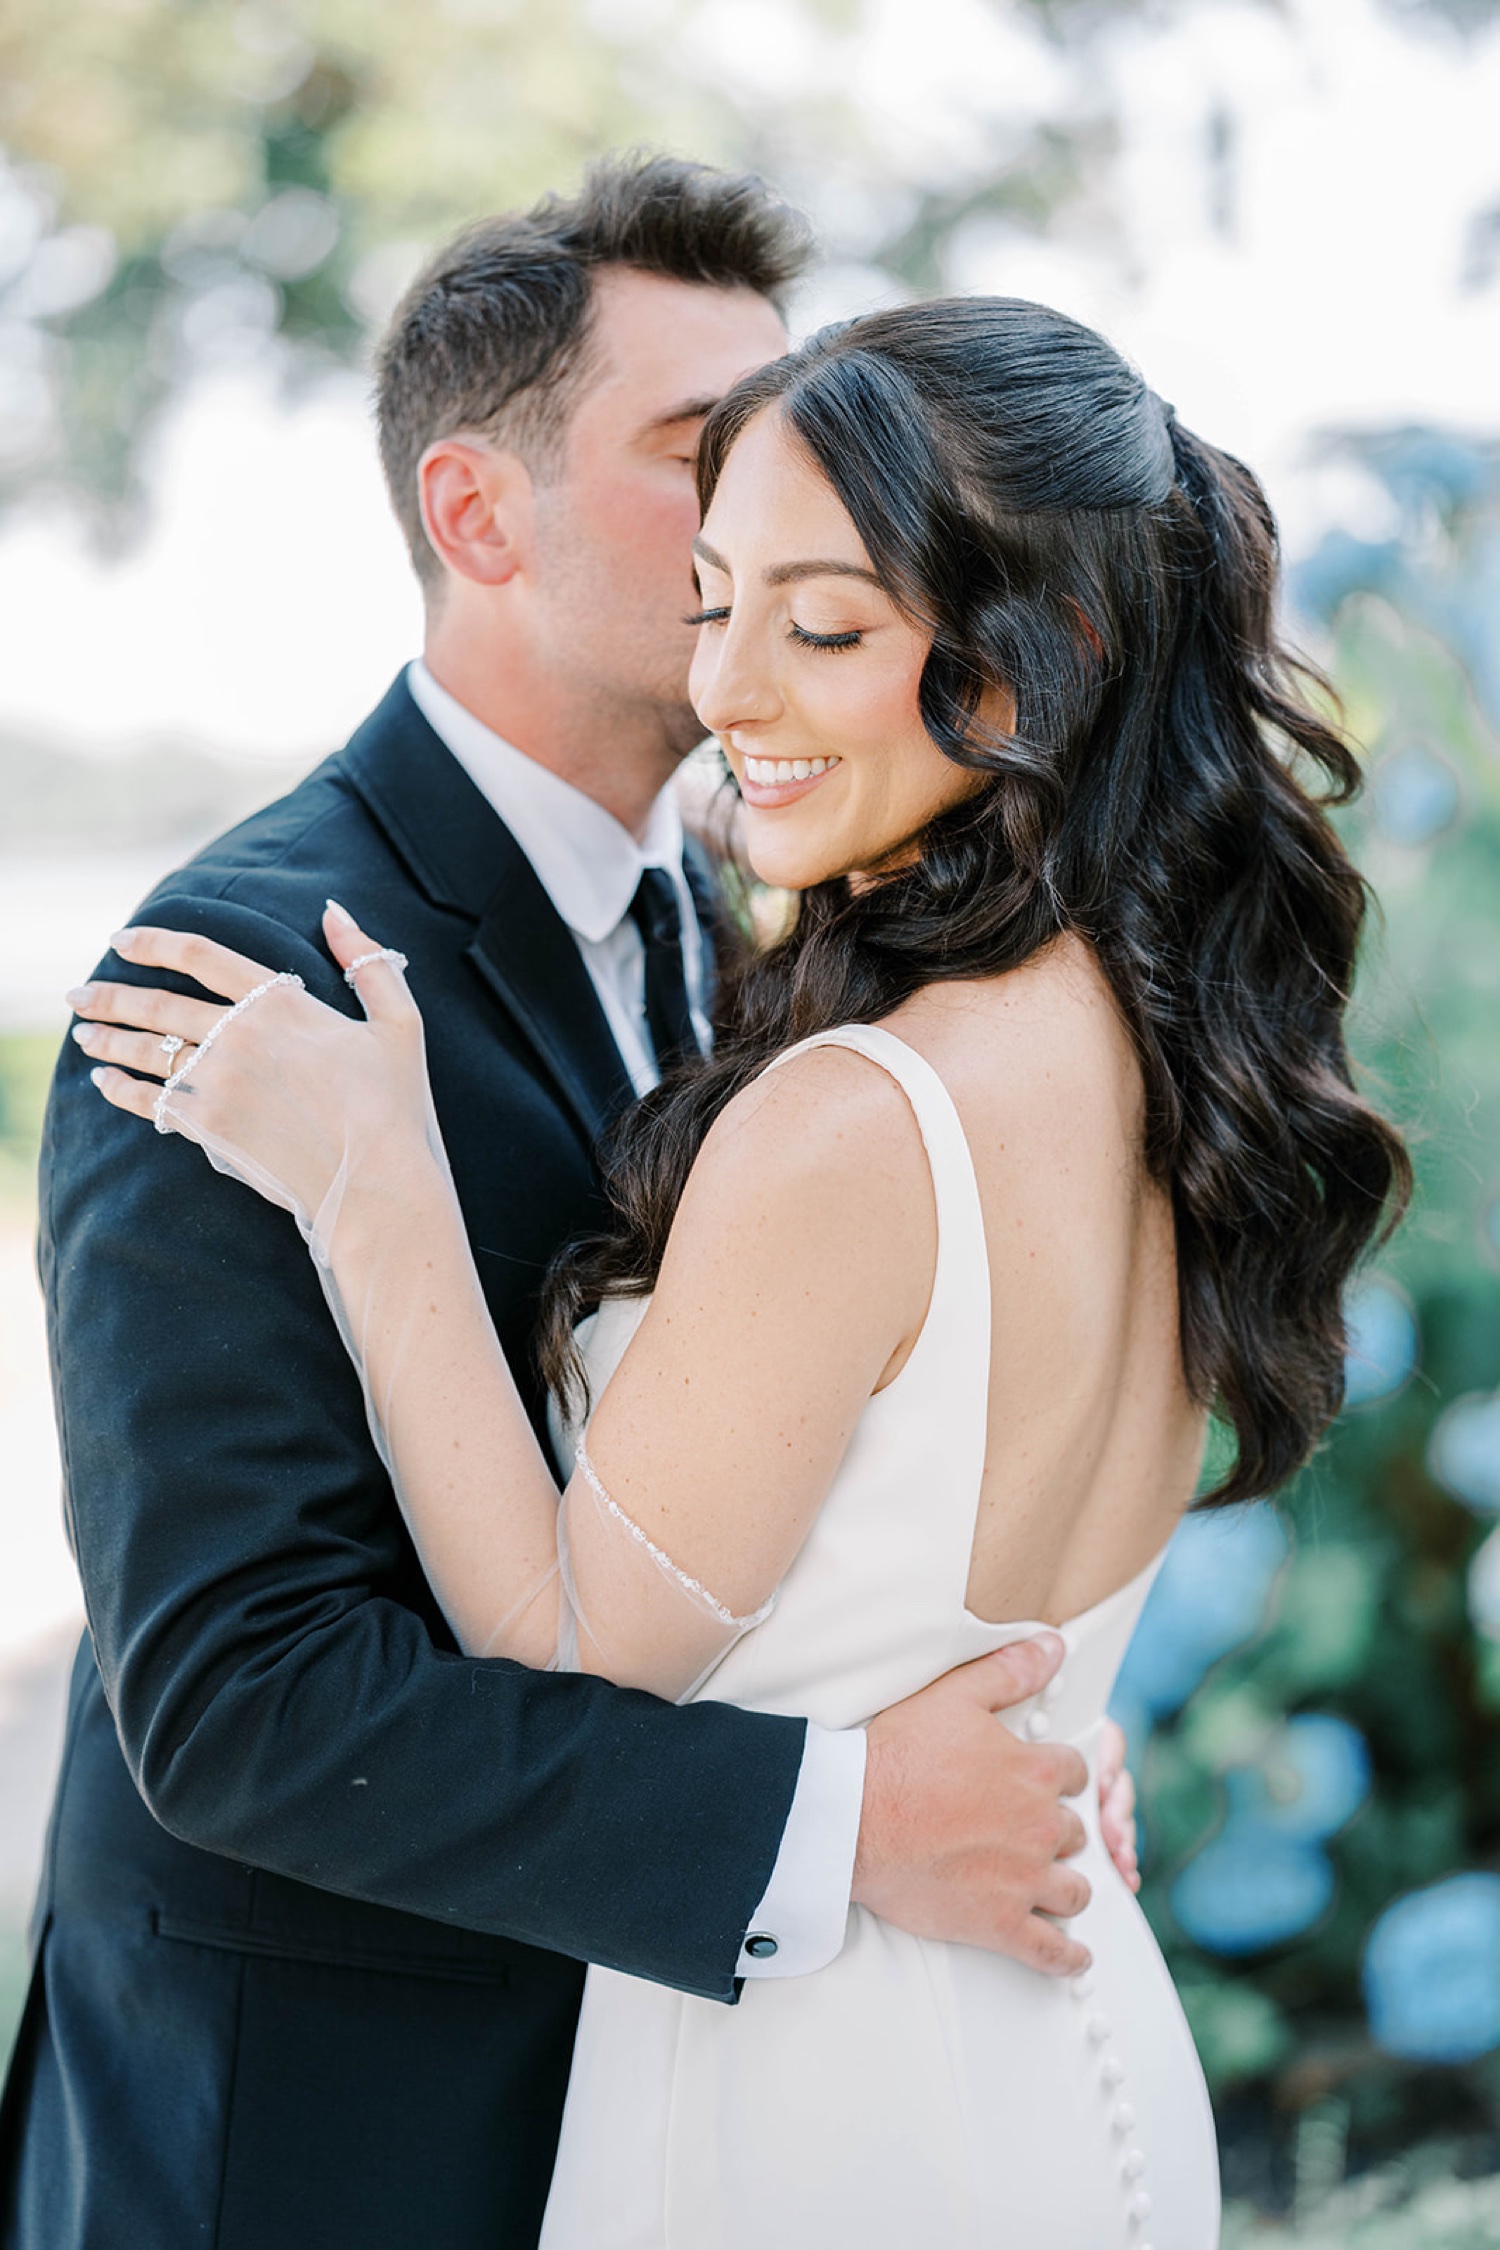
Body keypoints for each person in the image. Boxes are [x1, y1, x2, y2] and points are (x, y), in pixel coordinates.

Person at [72, 296, 1409, 2245]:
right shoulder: (1164, 1066)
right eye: (716, 601)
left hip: (817, 2092)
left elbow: (561, 1640)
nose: (732, 693)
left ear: (1052, 658)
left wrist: (377, 1183)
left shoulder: (856, 1117)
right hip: (1064, 2053)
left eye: (828, 625)